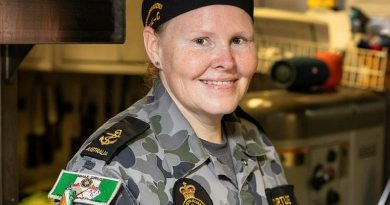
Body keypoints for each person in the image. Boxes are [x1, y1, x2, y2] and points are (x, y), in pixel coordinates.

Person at [49, 0, 298, 204]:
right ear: (155, 47)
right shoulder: (106, 170)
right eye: (201, 41)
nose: (227, 61)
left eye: (238, 40)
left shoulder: (256, 141)